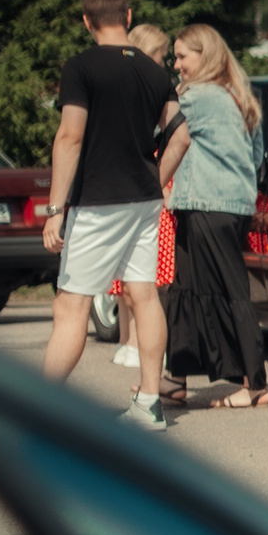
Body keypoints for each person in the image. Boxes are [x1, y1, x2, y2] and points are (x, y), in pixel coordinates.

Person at [40, 0, 177, 429]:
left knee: (71, 307)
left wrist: (55, 209)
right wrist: (154, 180)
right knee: (144, 294)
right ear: (129, 16)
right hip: (143, 200)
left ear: (86, 21)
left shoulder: (80, 67)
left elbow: (70, 136)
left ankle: (38, 414)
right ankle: (150, 403)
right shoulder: (156, 72)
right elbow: (181, 134)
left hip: (98, 201)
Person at [158, 24, 268, 409]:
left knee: (230, 291)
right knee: (186, 290)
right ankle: (176, 377)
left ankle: (255, 384)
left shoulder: (198, 96)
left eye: (182, 57)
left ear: (203, 56)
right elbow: (256, 157)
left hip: (207, 202)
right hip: (231, 203)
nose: (177, 66)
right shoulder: (239, 96)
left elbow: (159, 126)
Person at [110, 21, 174, 370]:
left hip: (123, 184)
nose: (164, 64)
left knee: (129, 278)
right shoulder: (153, 88)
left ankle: (128, 341)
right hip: (151, 182)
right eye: (161, 56)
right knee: (146, 280)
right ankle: (137, 344)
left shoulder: (118, 86)